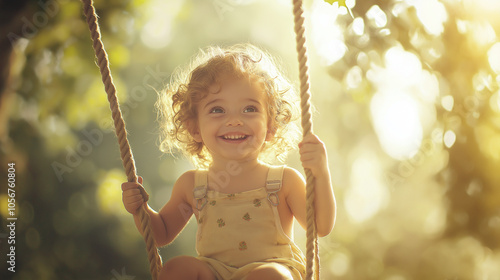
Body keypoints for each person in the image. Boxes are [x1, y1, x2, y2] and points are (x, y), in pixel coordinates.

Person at [121, 44, 336, 280]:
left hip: (272, 270)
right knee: (176, 269)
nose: (234, 120)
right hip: (215, 273)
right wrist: (139, 210)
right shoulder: (192, 185)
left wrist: (321, 173)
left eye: (249, 109)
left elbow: (320, 226)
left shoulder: (283, 181)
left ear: (271, 126)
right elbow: (160, 233)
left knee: (270, 276)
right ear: (194, 128)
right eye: (218, 110)